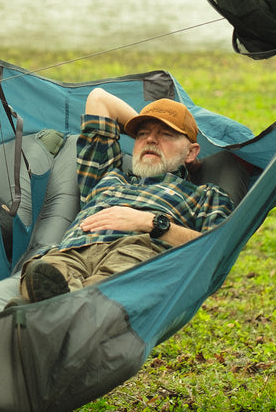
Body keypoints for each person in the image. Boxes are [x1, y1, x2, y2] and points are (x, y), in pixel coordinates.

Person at [17, 87, 233, 302]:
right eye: (142, 134)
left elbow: (216, 250)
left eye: (166, 134)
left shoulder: (204, 195)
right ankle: (59, 306)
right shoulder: (107, 174)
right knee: (41, 272)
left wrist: (152, 223)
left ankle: (54, 309)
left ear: (192, 152)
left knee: (107, 289)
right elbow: (99, 99)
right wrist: (153, 138)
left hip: (135, 253)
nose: (150, 139)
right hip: (71, 252)